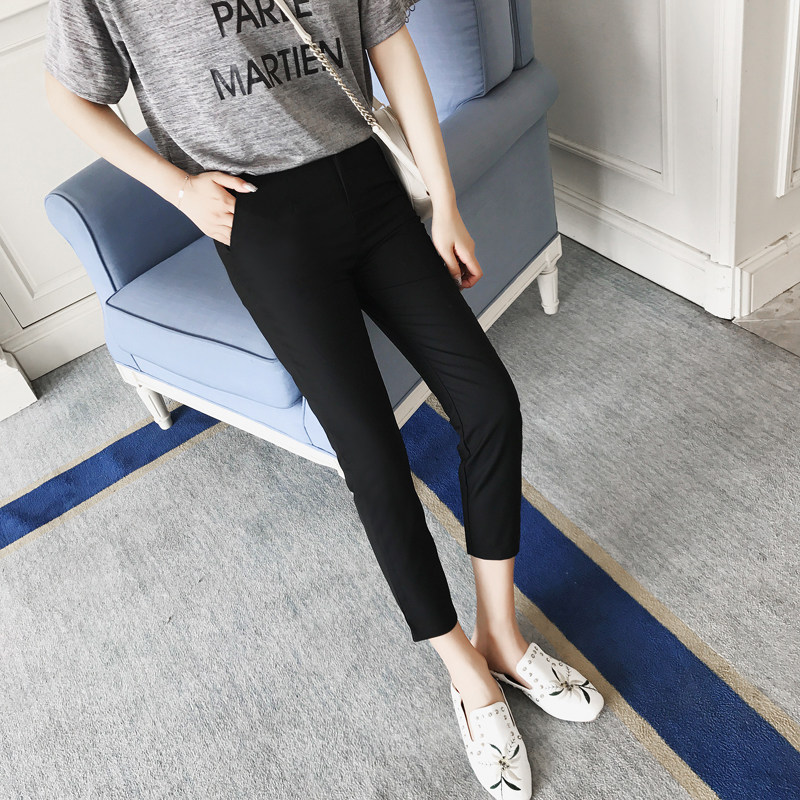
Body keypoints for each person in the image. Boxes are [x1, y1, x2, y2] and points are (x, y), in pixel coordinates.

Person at [43, 1, 604, 796]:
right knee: (372, 458)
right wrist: (177, 189)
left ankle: (502, 637)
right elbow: (69, 91)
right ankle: (466, 675)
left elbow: (389, 42)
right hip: (258, 217)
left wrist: (444, 201)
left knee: (488, 403)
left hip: (367, 180)